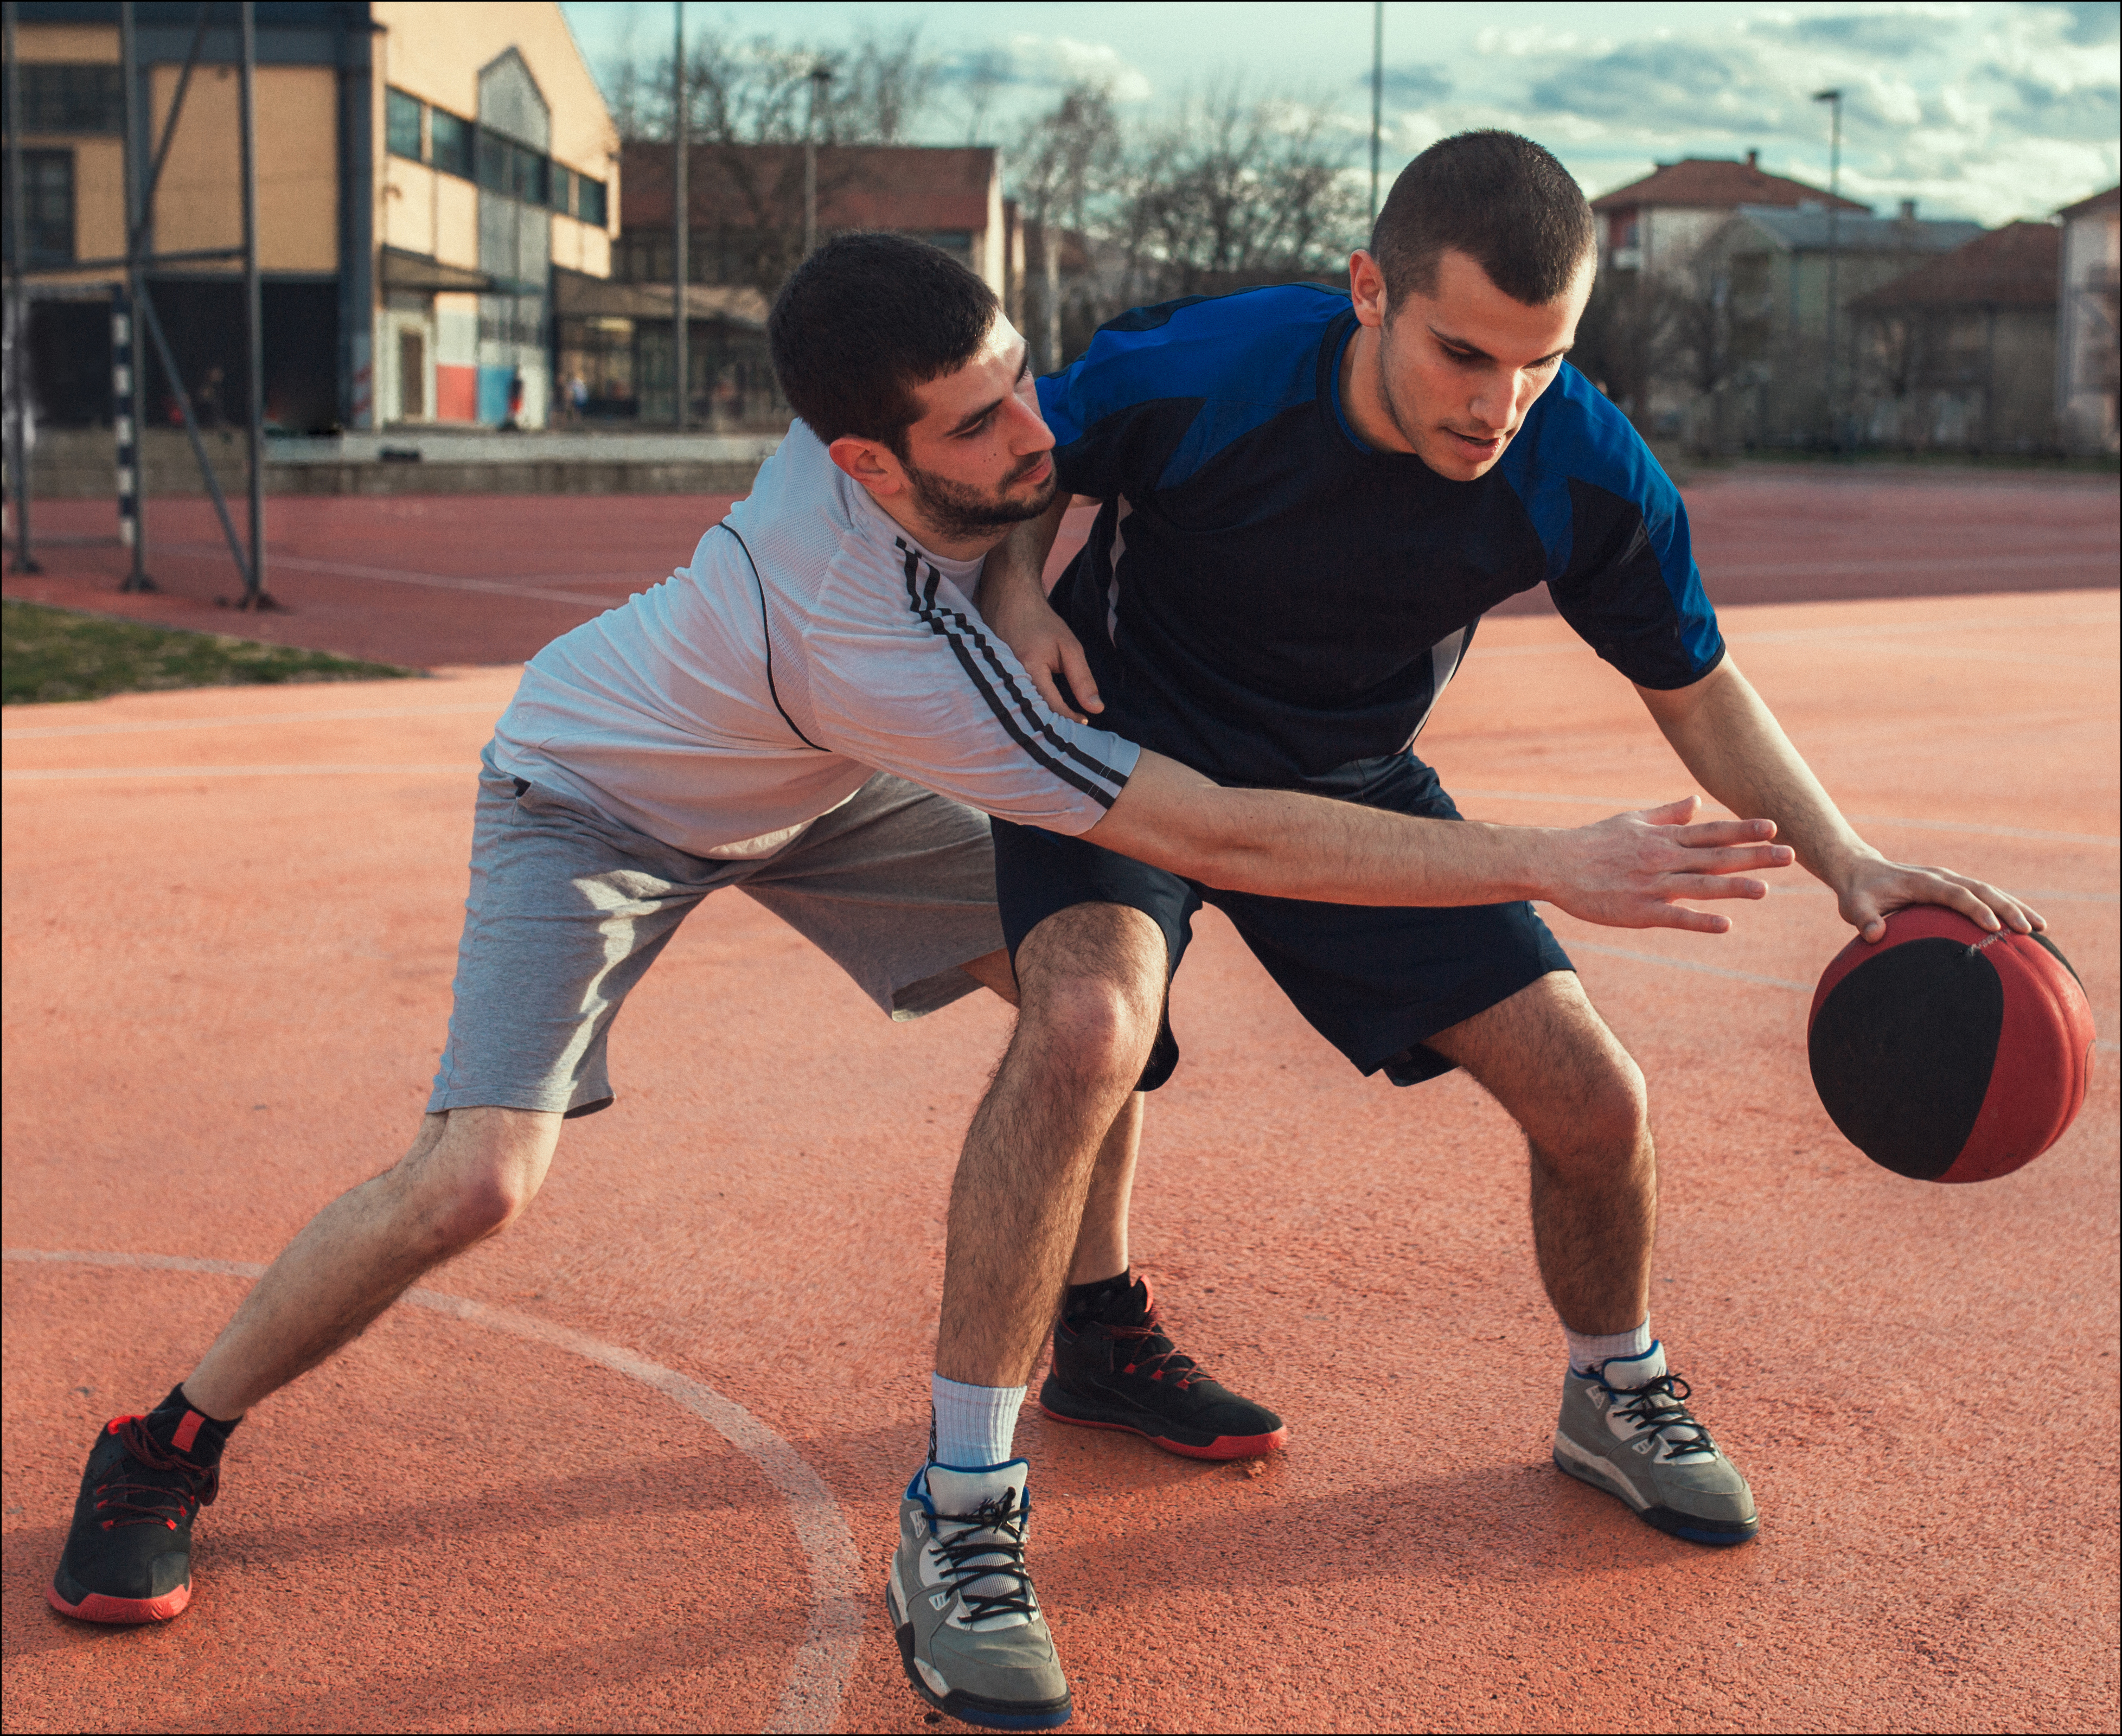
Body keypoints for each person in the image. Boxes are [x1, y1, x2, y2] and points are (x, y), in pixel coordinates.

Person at [48, 232, 1798, 1732]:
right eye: (980, 423)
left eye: (1021, 380)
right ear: (871, 466)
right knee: (480, 1177)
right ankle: (167, 1437)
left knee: (1098, 1018)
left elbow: (1054, 491)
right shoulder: (880, 627)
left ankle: (1094, 1333)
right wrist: (1549, 859)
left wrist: (1034, 544)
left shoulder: (946, 468)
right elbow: (1221, 835)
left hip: (823, 777)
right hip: (595, 795)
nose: (1036, 431)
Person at [975, 120, 2043, 1673]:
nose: (1500, 403)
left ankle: (1614, 1384)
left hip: (1353, 783)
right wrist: (1016, 586)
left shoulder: (1578, 459)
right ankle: (1069, 1364)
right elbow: (1029, 456)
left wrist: (1847, 855)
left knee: (1599, 1098)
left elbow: (1696, 684)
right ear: (1368, 293)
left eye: (1539, 362)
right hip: (1123, 746)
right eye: (1466, 354)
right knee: (1090, 1021)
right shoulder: (1208, 370)